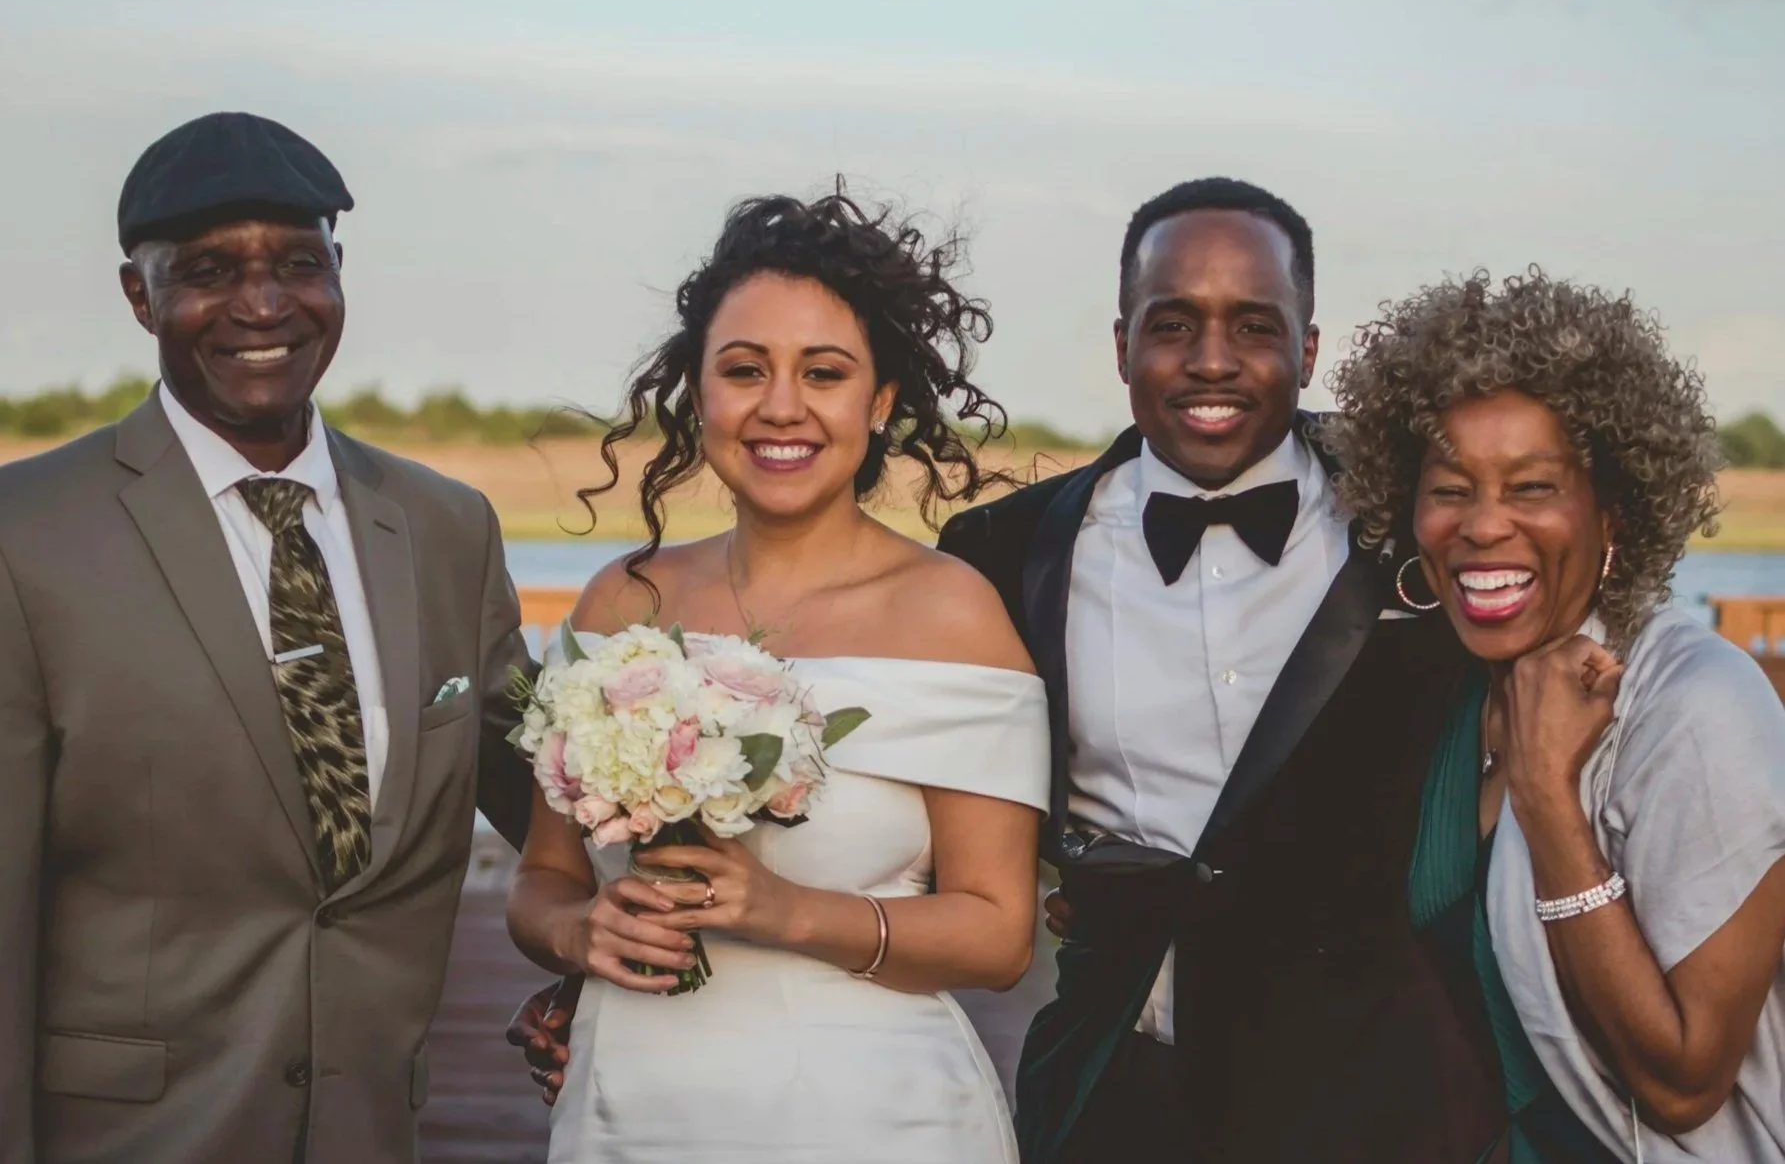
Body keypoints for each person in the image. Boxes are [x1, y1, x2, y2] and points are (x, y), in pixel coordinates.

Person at [0, 112, 536, 1163]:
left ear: (340, 273)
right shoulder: (26, 537)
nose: (262, 303)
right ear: (138, 293)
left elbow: (546, 801)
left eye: (300, 263)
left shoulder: (446, 525)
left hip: (373, 1129)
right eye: (208, 269)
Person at [934, 178, 1501, 1162]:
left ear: (1309, 347)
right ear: (1121, 345)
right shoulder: (999, 551)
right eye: (1173, 324)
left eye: (1252, 325)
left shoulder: (1421, 518)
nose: (1211, 361)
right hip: (1116, 1092)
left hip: (1388, 1098)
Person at [504, 189, 1051, 1163]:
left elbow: (1000, 934)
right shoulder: (619, 607)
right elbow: (540, 881)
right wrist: (578, 930)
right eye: (744, 370)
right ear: (701, 393)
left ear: (880, 400)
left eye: (825, 372)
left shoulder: (953, 613)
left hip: (878, 1120)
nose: (781, 406)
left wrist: (785, 911)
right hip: (628, 1107)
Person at [1324, 269, 1785, 1162]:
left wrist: (1546, 796)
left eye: (1531, 487)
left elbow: (1685, 1082)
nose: (1483, 526)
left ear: (1612, 509)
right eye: (1450, 487)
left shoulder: (1695, 707)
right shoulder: (1455, 692)